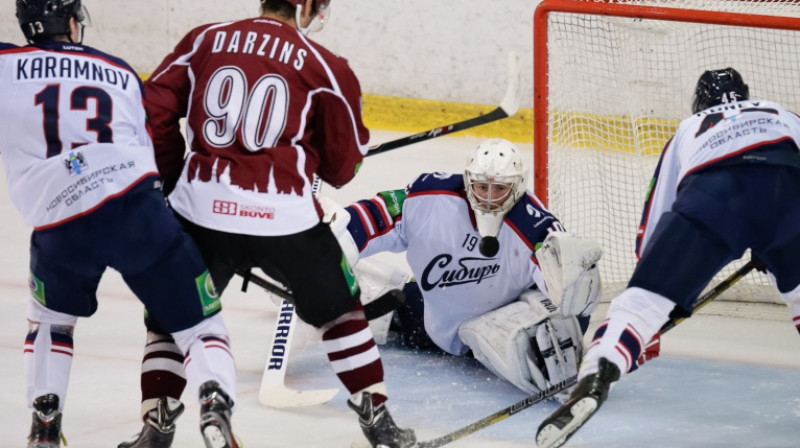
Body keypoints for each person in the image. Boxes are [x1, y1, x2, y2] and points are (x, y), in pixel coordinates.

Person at [120, 1, 416, 448]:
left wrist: (173, 176)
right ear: (310, 5)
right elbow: (342, 166)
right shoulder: (325, 66)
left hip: (199, 211)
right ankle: (379, 423)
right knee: (340, 313)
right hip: (286, 222)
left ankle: (155, 427)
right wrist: (309, 156)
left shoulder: (203, 39)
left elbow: (151, 113)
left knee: (170, 315)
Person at [1, 1, 239, 448]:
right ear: (71, 22)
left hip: (60, 218)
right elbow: (152, 147)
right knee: (199, 326)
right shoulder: (120, 70)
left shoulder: (5, 65)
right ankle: (214, 403)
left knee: (50, 321)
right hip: (135, 207)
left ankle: (45, 427)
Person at [535, 68, 800, 448]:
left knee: (639, 305)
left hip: (713, 198)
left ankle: (596, 374)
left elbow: (656, 215)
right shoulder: (780, 112)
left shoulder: (689, 128)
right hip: (789, 193)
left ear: (700, 103)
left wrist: (654, 306)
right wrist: (776, 243)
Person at [326, 138, 603, 397]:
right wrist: (335, 241)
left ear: (517, 187)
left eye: (500, 189)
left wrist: (568, 328)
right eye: (482, 187)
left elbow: (568, 296)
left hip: (500, 326)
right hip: (435, 318)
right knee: (390, 309)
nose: (489, 198)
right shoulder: (430, 196)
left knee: (535, 341)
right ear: (468, 181)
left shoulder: (535, 226)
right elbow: (379, 215)